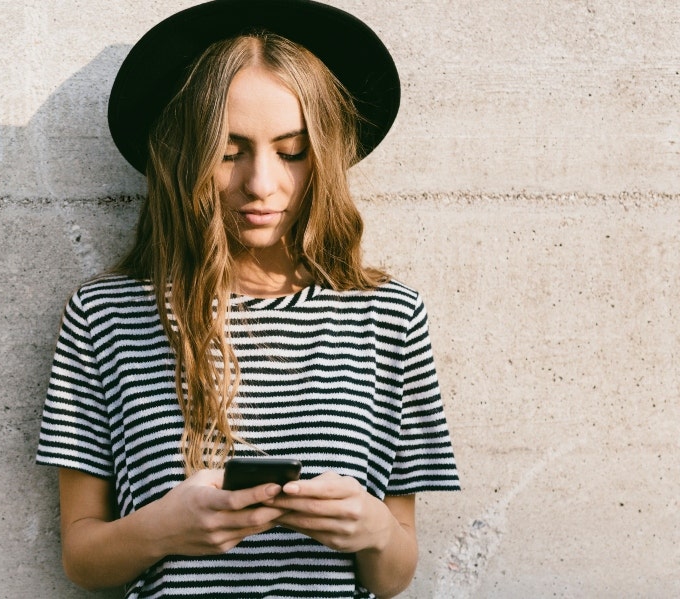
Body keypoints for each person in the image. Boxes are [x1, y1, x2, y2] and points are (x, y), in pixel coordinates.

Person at [35, 1, 460, 597]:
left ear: (328, 154)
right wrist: (162, 530)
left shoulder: (388, 317)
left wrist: (374, 531)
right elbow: (82, 559)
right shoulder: (105, 316)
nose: (261, 184)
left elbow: (394, 575)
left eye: (292, 151)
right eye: (229, 151)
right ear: (186, 153)